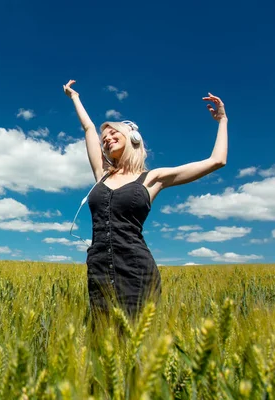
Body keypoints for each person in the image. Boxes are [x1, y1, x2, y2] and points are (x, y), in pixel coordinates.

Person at [63, 79, 228, 324]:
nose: (106, 139)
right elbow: (88, 129)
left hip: (136, 270)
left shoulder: (152, 179)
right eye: (104, 138)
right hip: (98, 269)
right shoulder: (101, 175)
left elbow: (217, 161)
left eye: (112, 133)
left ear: (134, 138)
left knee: (136, 350)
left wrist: (222, 120)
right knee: (102, 345)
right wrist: (74, 97)